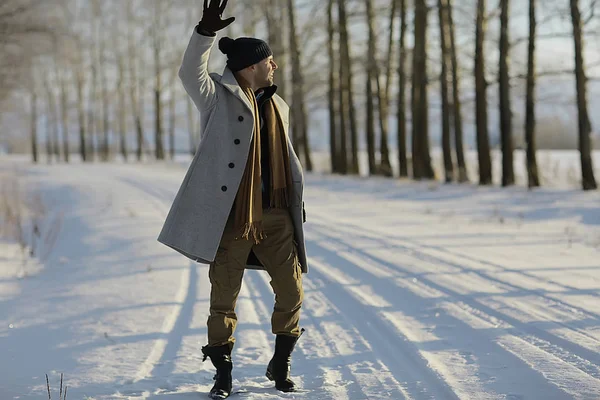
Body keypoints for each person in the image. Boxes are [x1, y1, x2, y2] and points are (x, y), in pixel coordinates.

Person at [157, 0, 308, 398]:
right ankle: (222, 374)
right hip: (233, 218)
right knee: (224, 297)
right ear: (249, 65)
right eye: (268, 60)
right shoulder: (217, 98)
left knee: (291, 292)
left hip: (277, 216)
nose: (274, 65)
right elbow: (190, 72)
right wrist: (204, 34)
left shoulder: (279, 105)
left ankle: (281, 362)